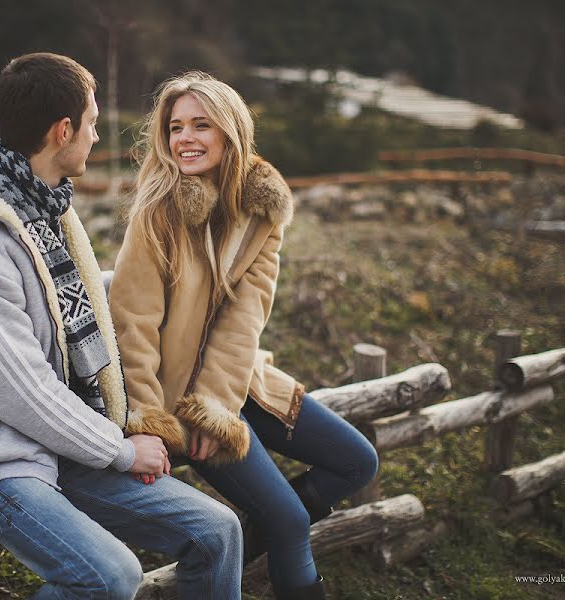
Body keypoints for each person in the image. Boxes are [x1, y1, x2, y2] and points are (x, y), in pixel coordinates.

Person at [0, 54, 242, 600]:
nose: (98, 133)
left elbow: (69, 301)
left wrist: (173, 289)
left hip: (58, 444)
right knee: (109, 576)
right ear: (64, 132)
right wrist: (121, 449)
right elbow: (23, 392)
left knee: (217, 533)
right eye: (92, 121)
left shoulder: (41, 205)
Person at [110, 72, 379, 599]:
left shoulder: (262, 208)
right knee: (290, 522)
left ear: (230, 131)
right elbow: (131, 325)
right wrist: (151, 420)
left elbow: (245, 316)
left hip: (235, 383)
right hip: (173, 398)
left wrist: (217, 401)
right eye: (175, 127)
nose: (183, 139)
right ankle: (279, 529)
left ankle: (268, 530)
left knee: (356, 462)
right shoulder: (158, 209)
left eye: (200, 125)